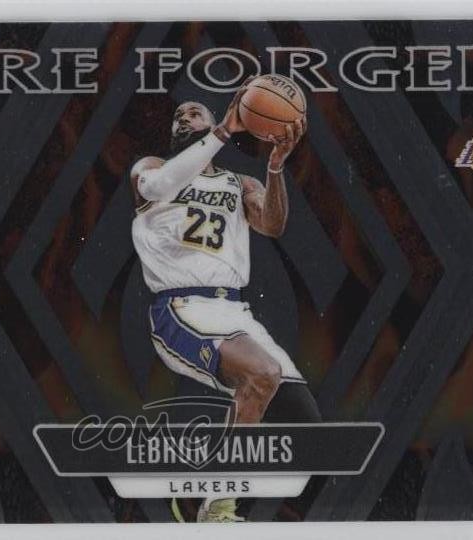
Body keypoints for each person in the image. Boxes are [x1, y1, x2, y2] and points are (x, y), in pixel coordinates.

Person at [130, 81, 321, 522]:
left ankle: (198, 492)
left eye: (194, 112)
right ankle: (218, 507)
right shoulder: (151, 168)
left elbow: (272, 225)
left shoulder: (239, 183)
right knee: (262, 373)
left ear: (214, 120)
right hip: (181, 308)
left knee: (305, 425)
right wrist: (222, 132)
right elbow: (160, 187)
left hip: (235, 312)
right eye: (179, 115)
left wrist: (275, 166)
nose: (184, 117)